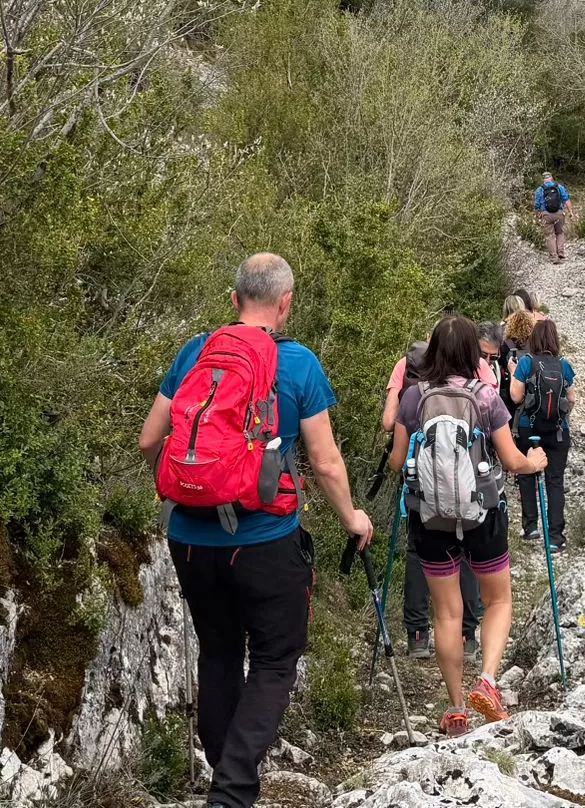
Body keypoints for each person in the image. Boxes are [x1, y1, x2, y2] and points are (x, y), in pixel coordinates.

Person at [140, 254, 373, 808]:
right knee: (274, 658)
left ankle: (225, 777)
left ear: (234, 298)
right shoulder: (298, 365)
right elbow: (326, 462)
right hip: (266, 540)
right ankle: (234, 788)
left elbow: (151, 440)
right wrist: (353, 519)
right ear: (286, 303)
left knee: (218, 652)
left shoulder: (195, 353)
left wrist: (190, 489)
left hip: (190, 540)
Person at [391, 315, 547, 735]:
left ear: (435, 351)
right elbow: (512, 461)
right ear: (472, 354)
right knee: (497, 601)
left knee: (445, 614)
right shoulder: (486, 398)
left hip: (430, 519)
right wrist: (533, 462)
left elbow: (396, 462)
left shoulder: (414, 398)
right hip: (484, 516)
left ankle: (457, 709)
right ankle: (489, 683)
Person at [381, 339, 481, 660]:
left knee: (417, 553)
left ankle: (418, 635)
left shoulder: (412, 387)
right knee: (465, 555)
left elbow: (390, 434)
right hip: (466, 490)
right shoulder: (479, 387)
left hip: (420, 489)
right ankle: (466, 638)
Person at [508, 318, 575, 548]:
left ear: (533, 339)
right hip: (558, 431)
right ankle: (555, 537)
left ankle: (531, 528)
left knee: (527, 476)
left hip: (530, 428)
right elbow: (572, 398)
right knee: (555, 481)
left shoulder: (527, 363)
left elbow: (516, 397)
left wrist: (513, 373)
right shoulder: (564, 365)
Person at [532, 173, 570, 264]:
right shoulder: (559, 187)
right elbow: (567, 199)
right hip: (559, 214)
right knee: (560, 233)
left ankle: (554, 257)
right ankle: (560, 253)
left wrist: (537, 215)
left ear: (543, 180)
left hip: (546, 215)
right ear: (552, 178)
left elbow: (537, 205)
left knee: (550, 236)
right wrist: (571, 212)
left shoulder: (539, 189)